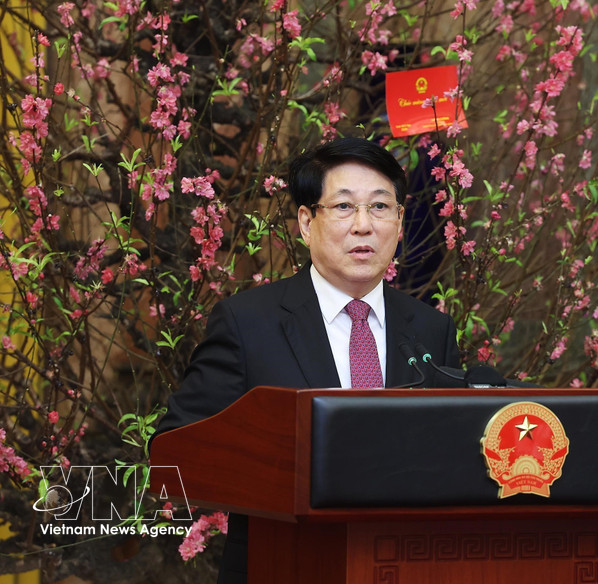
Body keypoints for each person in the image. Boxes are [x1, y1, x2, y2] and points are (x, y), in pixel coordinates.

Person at [151, 137, 461, 583]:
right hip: (281, 564)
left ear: (399, 220)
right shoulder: (248, 323)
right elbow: (174, 453)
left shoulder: (430, 329)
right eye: (342, 207)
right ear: (305, 221)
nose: (363, 226)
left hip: (403, 565)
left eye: (379, 207)